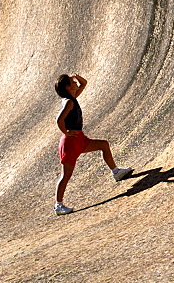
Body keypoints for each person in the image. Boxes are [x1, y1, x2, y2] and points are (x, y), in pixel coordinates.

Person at [53, 73, 133, 215]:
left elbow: (84, 83)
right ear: (67, 87)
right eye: (72, 82)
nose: (76, 83)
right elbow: (59, 120)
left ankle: (116, 172)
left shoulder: (72, 98)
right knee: (66, 175)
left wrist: (76, 76)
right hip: (71, 142)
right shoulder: (69, 102)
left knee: (103, 145)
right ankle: (58, 205)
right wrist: (66, 132)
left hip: (79, 138)